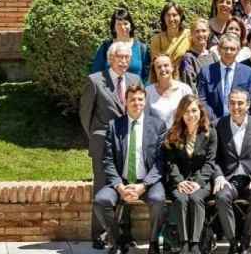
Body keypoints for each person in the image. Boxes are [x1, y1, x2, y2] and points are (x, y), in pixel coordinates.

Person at [80, 41, 145, 248]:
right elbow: (85, 115)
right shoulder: (95, 81)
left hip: (127, 143)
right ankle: (99, 234)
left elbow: (139, 110)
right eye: (120, 57)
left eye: (127, 58)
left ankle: (124, 234)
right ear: (110, 59)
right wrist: (97, 138)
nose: (124, 61)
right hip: (102, 144)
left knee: (126, 186)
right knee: (101, 189)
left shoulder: (135, 79)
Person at [93, 83, 167, 254]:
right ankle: (118, 241)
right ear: (125, 101)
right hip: (122, 181)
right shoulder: (114, 126)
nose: (136, 103)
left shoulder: (158, 126)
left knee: (158, 200)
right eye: (132, 99)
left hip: (148, 181)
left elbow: (160, 162)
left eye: (140, 99)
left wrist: (143, 186)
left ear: (145, 101)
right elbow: (108, 160)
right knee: (100, 201)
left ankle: (154, 242)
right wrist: (120, 187)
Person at [213, 89, 251, 254]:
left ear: (248, 105)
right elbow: (213, 158)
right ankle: (232, 242)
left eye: (240, 103)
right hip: (228, 178)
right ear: (228, 104)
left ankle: (245, 241)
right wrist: (219, 176)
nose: (236, 107)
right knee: (221, 197)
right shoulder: (218, 124)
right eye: (232, 103)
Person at [162, 95, 217, 254]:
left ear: (200, 112)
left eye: (194, 110)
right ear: (181, 113)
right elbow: (170, 163)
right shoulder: (173, 133)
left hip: (202, 182)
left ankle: (195, 243)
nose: (191, 115)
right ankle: (184, 243)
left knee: (196, 198)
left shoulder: (209, 132)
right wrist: (179, 181)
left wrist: (197, 182)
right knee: (181, 199)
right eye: (186, 111)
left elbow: (210, 162)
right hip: (179, 182)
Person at [197, 33, 251, 122]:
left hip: (239, 121)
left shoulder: (249, 72)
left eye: (232, 49)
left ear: (238, 51)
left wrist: (237, 118)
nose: (228, 52)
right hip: (213, 122)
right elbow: (202, 100)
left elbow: (250, 100)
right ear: (218, 49)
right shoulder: (206, 72)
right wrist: (215, 120)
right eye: (225, 48)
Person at [92, 8, 151, 81]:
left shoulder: (141, 48)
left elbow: (147, 76)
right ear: (113, 27)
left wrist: (140, 90)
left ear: (131, 25)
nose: (122, 27)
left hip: (135, 90)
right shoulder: (106, 47)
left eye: (125, 23)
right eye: (119, 24)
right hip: (110, 91)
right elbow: (96, 73)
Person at [147, 55, 195, 128]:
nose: (163, 69)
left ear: (172, 67)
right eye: (159, 67)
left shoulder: (185, 89)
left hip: (182, 134)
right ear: (155, 71)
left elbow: (193, 113)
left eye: (166, 65)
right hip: (158, 136)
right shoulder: (148, 91)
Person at [179, 18, 212, 87]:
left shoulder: (213, 55)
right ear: (191, 34)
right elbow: (189, 85)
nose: (201, 34)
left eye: (204, 31)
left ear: (208, 33)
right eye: (197, 31)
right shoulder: (188, 58)